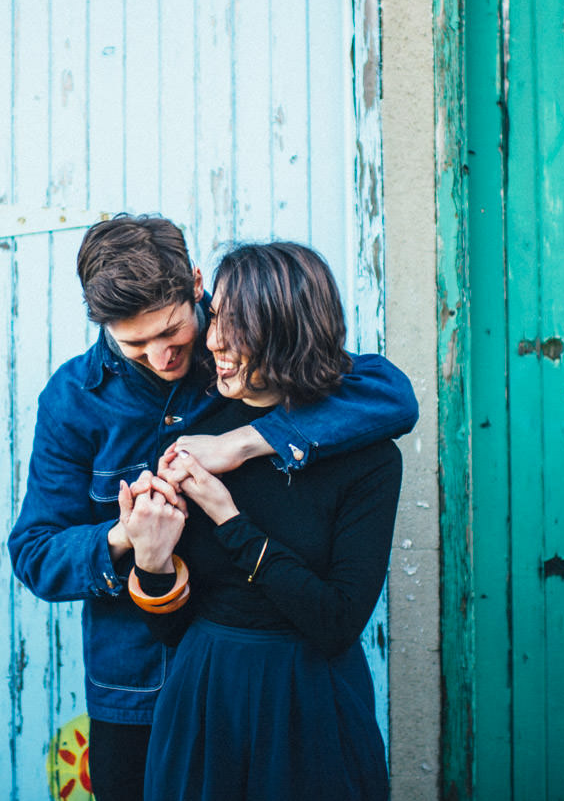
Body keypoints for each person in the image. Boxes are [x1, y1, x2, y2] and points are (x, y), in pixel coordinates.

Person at [8, 215, 416, 801]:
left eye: (172, 331)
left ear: (195, 285)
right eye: (134, 344)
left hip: (267, 684)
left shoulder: (238, 355)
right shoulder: (73, 400)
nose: (160, 355)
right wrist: (125, 537)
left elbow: (390, 396)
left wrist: (241, 442)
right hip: (134, 687)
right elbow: (35, 551)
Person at [120, 241, 403, 801]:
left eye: (239, 324)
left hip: (311, 700)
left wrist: (229, 518)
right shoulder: (196, 429)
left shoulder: (367, 455)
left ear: (290, 330)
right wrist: (151, 559)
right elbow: (169, 629)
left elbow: (337, 623)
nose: (215, 340)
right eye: (218, 316)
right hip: (204, 693)